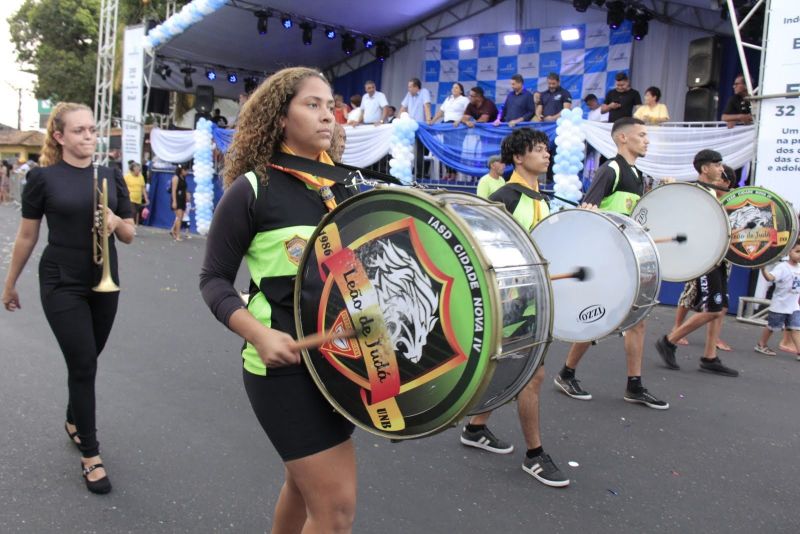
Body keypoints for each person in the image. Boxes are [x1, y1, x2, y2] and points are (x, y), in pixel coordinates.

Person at [199, 67, 357, 532]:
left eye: (330, 105)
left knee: (301, 484)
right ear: (279, 117)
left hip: (342, 363)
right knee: (335, 511)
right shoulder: (253, 189)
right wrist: (259, 334)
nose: (327, 115)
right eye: (312, 104)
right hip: (283, 370)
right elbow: (213, 280)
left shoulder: (344, 188)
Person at [2, 102, 135, 494]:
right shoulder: (43, 178)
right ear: (59, 137)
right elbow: (27, 236)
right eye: (80, 131)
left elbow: (129, 233)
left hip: (103, 281)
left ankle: (73, 417)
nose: (89, 137)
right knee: (82, 364)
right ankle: (91, 455)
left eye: (92, 130)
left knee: (87, 358)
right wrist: (10, 283)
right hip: (61, 281)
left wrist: (114, 222)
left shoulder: (110, 175)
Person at [459, 128, 568, 488]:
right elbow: (481, 246)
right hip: (511, 300)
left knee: (511, 367)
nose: (547, 155)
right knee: (531, 374)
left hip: (535, 298)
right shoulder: (506, 197)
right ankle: (535, 455)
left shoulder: (544, 200)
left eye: (547, 149)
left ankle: (475, 428)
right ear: (519, 158)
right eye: (539, 150)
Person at [555, 117, 669, 409]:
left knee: (636, 321)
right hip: (605, 259)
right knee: (598, 319)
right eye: (641, 135)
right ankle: (566, 373)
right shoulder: (611, 170)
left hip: (625, 259)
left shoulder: (636, 173)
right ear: (622, 139)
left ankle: (634, 385)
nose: (647, 140)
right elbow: (587, 212)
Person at [655, 149, 740, 377]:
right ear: (705, 168)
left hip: (717, 255)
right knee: (712, 309)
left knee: (720, 309)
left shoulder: (712, 193)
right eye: (717, 165)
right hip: (704, 258)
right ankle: (669, 340)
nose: (722, 169)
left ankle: (710, 357)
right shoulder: (695, 192)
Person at [672, 163, 736, 350]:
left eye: (720, 176)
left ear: (727, 182)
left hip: (725, 255)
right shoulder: (706, 196)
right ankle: (675, 331)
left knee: (720, 303)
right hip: (704, 255)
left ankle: (712, 342)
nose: (717, 178)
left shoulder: (734, 202)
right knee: (691, 293)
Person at [754, 242, 800, 360]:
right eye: (797, 252)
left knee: (795, 328)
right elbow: (770, 277)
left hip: (793, 305)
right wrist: (763, 270)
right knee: (772, 327)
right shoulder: (783, 267)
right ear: (789, 251)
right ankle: (761, 344)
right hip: (780, 305)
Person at [170, 165, 191, 241]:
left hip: (182, 199)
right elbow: (173, 190)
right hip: (177, 198)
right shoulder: (175, 178)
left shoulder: (183, 178)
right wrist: (174, 201)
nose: (187, 172)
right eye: (186, 170)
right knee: (179, 217)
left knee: (181, 217)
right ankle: (177, 235)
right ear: (181, 170)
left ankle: (173, 230)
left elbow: (185, 189)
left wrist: (186, 197)